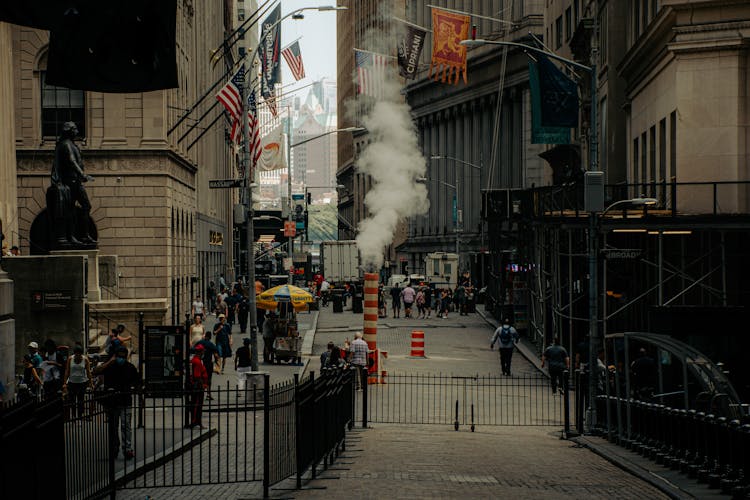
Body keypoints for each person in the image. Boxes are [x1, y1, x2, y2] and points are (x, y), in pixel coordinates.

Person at [93, 346, 140, 459]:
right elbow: (96, 371)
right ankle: (115, 447)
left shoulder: (130, 367)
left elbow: (137, 382)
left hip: (125, 401)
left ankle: (127, 449)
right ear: (115, 356)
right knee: (113, 427)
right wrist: (110, 361)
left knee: (126, 426)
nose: (121, 358)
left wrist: (134, 389)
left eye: (123, 356)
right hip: (112, 402)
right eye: (119, 356)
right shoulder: (110, 366)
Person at [63, 344, 93, 419]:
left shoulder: (85, 359)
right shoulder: (70, 359)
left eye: (79, 353)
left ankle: (79, 416)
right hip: (72, 382)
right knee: (72, 400)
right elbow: (67, 371)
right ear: (74, 353)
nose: (78, 355)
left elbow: (88, 372)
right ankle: (73, 416)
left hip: (82, 383)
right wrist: (64, 383)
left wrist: (91, 383)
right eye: (76, 353)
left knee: (81, 401)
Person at [193, 332, 220, 400]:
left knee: (199, 378)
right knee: (208, 379)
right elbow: (217, 351)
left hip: (200, 363)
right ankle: (208, 393)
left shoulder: (200, 342)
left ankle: (199, 393)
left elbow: (193, 348)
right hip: (208, 364)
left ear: (205, 336)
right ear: (210, 337)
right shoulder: (211, 344)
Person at [188, 344, 208, 428]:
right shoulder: (197, 361)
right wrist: (202, 385)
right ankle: (195, 421)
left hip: (198, 385)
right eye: (203, 351)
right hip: (198, 386)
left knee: (197, 404)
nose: (204, 352)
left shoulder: (196, 360)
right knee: (197, 405)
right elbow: (197, 376)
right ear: (200, 352)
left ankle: (197, 421)